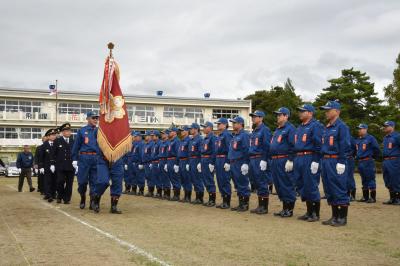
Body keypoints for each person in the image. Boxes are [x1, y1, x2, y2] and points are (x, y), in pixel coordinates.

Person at [319, 101, 351, 227]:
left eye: (329, 109)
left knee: (339, 188)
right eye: (325, 110)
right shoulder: (326, 128)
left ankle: (342, 217)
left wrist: (342, 162)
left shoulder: (342, 126)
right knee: (329, 188)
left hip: (336, 160)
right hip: (326, 160)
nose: (326, 112)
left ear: (337, 111)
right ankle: (334, 216)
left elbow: (345, 145)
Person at [293, 104, 323, 222]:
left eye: (303, 111)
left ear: (310, 113)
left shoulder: (315, 126)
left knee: (311, 185)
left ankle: (315, 213)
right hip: (299, 157)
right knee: (302, 185)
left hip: (309, 157)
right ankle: (309, 211)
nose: (300, 113)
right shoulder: (299, 127)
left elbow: (318, 145)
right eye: (300, 111)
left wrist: (316, 160)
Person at [270, 107, 296, 218]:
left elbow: (293, 145)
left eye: (280, 115)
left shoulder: (290, 128)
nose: (278, 117)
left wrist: (290, 159)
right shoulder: (278, 129)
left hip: (284, 159)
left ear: (286, 116)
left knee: (286, 184)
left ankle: (289, 209)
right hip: (275, 160)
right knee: (279, 185)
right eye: (277, 115)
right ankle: (284, 208)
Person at [72, 111, 99, 209]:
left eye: (97, 118)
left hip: (95, 158)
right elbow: (76, 146)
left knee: (94, 181)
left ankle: (92, 201)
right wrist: (74, 159)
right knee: (82, 181)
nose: (96, 120)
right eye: (93, 118)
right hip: (84, 158)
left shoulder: (99, 131)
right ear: (87, 119)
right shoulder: (82, 131)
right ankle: (82, 197)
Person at [248, 110, 272, 215]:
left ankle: (264, 207)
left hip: (260, 158)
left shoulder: (265, 130)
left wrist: (264, 159)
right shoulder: (254, 131)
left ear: (261, 118)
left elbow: (267, 146)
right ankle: (260, 205)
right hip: (253, 158)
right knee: (256, 182)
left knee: (262, 182)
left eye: (255, 116)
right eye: (252, 116)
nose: (253, 118)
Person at [228, 116, 250, 212]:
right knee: (237, 184)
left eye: (235, 123)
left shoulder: (244, 135)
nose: (233, 124)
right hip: (233, 162)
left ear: (241, 124)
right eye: (233, 123)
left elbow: (246, 149)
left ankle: (245, 204)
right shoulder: (235, 136)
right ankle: (241, 203)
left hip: (240, 162)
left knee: (242, 183)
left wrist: (245, 163)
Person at [355, 124, 380, 203]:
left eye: (361, 129)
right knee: (364, 179)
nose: (359, 130)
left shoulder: (370, 138)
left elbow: (376, 149)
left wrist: (373, 157)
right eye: (358, 129)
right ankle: (365, 197)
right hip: (360, 161)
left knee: (370, 178)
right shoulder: (358, 139)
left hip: (368, 161)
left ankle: (372, 197)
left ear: (365, 129)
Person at [54, 123, 75, 204]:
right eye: (66, 131)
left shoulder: (73, 141)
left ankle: (67, 199)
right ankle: (59, 196)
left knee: (69, 183)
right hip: (60, 166)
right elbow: (54, 153)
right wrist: (53, 164)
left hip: (71, 166)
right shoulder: (57, 141)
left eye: (69, 131)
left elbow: (76, 152)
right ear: (62, 132)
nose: (68, 132)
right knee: (60, 181)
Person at [214, 118, 233, 209]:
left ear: (225, 125)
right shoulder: (219, 135)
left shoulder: (227, 135)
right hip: (218, 159)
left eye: (219, 124)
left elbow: (230, 148)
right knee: (219, 180)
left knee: (225, 180)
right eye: (217, 124)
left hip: (224, 158)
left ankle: (227, 201)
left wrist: (228, 161)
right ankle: (223, 199)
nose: (218, 125)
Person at [382, 121, 400, 205]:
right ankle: (392, 198)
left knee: (395, 179)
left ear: (392, 126)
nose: (385, 127)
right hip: (386, 160)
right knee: (387, 179)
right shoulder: (385, 137)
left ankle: (398, 199)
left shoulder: (397, 136)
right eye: (384, 126)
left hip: (394, 160)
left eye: (386, 126)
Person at [200, 121, 217, 207]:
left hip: (208, 160)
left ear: (210, 128)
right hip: (203, 159)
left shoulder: (213, 137)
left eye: (205, 127)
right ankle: (210, 198)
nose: (203, 128)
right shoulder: (205, 138)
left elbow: (214, 151)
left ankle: (212, 200)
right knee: (205, 180)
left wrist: (212, 163)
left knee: (209, 180)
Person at [38, 128, 58, 202]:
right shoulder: (44, 145)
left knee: (55, 180)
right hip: (47, 166)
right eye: (52, 135)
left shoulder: (57, 144)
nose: (53, 136)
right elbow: (41, 157)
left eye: (54, 135)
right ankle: (48, 195)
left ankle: (53, 194)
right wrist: (41, 167)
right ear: (48, 136)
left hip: (56, 166)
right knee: (47, 181)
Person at [188, 123, 204, 204]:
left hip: (197, 160)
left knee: (198, 179)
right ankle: (197, 196)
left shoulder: (200, 139)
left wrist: (200, 162)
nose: (190, 130)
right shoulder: (191, 140)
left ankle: (200, 198)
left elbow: (201, 152)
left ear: (196, 129)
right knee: (193, 179)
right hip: (191, 160)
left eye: (192, 128)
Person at [177, 126, 192, 203]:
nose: (181, 132)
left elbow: (190, 152)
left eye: (182, 131)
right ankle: (185, 195)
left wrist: (188, 163)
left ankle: (188, 197)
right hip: (181, 161)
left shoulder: (189, 140)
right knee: (182, 179)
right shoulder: (181, 140)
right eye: (181, 131)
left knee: (187, 179)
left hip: (186, 160)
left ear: (187, 131)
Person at [167, 127, 181, 201]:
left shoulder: (177, 141)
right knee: (171, 177)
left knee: (175, 178)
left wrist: (176, 163)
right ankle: (175, 194)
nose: (169, 133)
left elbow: (178, 153)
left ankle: (177, 195)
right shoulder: (170, 141)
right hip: (169, 160)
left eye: (171, 131)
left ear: (175, 132)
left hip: (173, 160)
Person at [131, 131, 145, 196]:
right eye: (135, 137)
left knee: (140, 177)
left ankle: (141, 190)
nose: (135, 138)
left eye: (136, 137)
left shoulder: (141, 144)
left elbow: (141, 154)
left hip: (138, 163)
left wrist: (141, 163)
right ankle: (134, 190)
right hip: (134, 163)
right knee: (134, 177)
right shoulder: (135, 144)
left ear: (140, 137)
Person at [158, 130, 171, 200]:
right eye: (162, 134)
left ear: (167, 135)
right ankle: (164, 192)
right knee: (162, 177)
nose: (162, 135)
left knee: (166, 178)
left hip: (166, 160)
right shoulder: (162, 143)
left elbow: (168, 154)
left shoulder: (168, 143)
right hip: (161, 160)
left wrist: (166, 163)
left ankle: (167, 194)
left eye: (163, 134)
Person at [142, 130, 155, 197]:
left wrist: (151, 162)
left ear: (150, 136)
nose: (145, 136)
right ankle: (149, 190)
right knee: (147, 177)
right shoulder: (145, 144)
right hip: (145, 163)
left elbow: (152, 154)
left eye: (147, 135)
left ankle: (151, 191)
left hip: (149, 162)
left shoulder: (152, 143)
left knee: (150, 177)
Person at [150, 130, 162, 198]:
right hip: (153, 162)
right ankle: (157, 191)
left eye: (153, 136)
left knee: (158, 177)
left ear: (157, 136)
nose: (152, 137)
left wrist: (155, 158)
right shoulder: (154, 143)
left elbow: (160, 154)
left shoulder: (159, 143)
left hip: (157, 162)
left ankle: (159, 192)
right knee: (154, 177)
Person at [347, 136, 357, 202]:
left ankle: (352, 195)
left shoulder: (351, 138)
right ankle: (346, 194)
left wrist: (352, 155)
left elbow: (355, 148)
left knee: (349, 177)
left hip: (349, 159)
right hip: (341, 159)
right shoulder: (339, 137)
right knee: (343, 177)